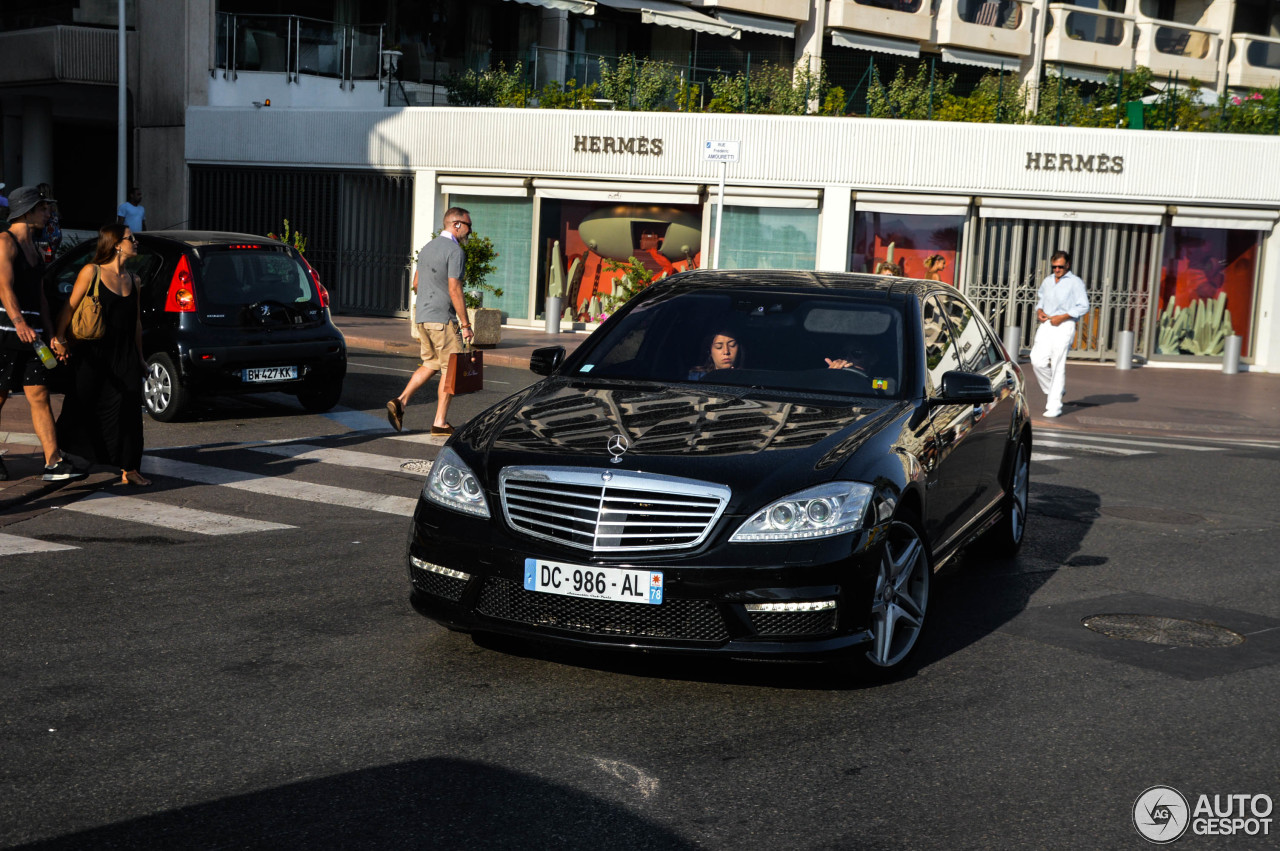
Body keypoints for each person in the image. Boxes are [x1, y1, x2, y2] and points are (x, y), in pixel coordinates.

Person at [51, 224, 150, 486]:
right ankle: (66, 455)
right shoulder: (91, 271)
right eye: (131, 238)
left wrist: (140, 359)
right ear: (116, 244)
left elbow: (136, 323)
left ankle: (130, 468)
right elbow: (69, 307)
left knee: (129, 409)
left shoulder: (134, 280)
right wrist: (59, 338)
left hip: (124, 355)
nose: (136, 242)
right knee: (81, 403)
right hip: (92, 354)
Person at [0, 186, 84, 482]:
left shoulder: (35, 248)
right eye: (42, 208)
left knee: (39, 394)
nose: (48, 213)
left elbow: (42, 298)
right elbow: (4, 287)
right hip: (5, 332)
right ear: (26, 212)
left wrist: (52, 335)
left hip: (33, 335)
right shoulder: (4, 242)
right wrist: (18, 321)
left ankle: (53, 462)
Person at [386, 207, 474, 435]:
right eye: (468, 226)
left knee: (431, 363)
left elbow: (416, 283)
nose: (469, 231)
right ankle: (440, 422)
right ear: (456, 225)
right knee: (450, 369)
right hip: (442, 320)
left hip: (422, 318)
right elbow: (455, 288)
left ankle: (401, 401)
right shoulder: (454, 251)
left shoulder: (427, 248)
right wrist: (465, 325)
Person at [1030, 249, 1090, 418]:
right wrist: (1039, 311)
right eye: (1054, 267)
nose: (1057, 270)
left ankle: (1054, 405)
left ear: (1067, 265)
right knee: (1037, 360)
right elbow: (1041, 299)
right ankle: (1055, 390)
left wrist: (1062, 317)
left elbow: (1083, 306)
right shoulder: (1048, 281)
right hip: (1047, 323)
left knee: (1058, 363)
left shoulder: (1075, 282)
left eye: (1060, 267)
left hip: (1065, 324)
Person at [37, 182, 61, 258]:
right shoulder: (54, 207)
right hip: (55, 234)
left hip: (45, 236)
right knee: (50, 259)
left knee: (46, 260)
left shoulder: (44, 206)